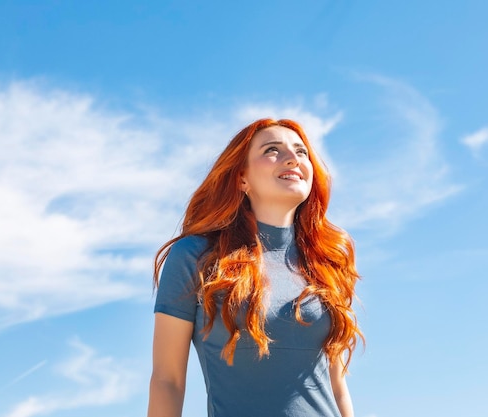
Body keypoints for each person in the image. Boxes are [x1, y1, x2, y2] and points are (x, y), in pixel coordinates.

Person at [147, 118, 363, 417]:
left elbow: (337, 386)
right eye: (272, 150)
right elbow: (167, 380)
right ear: (241, 179)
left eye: (301, 152)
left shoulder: (326, 261)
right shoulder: (196, 256)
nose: (293, 158)